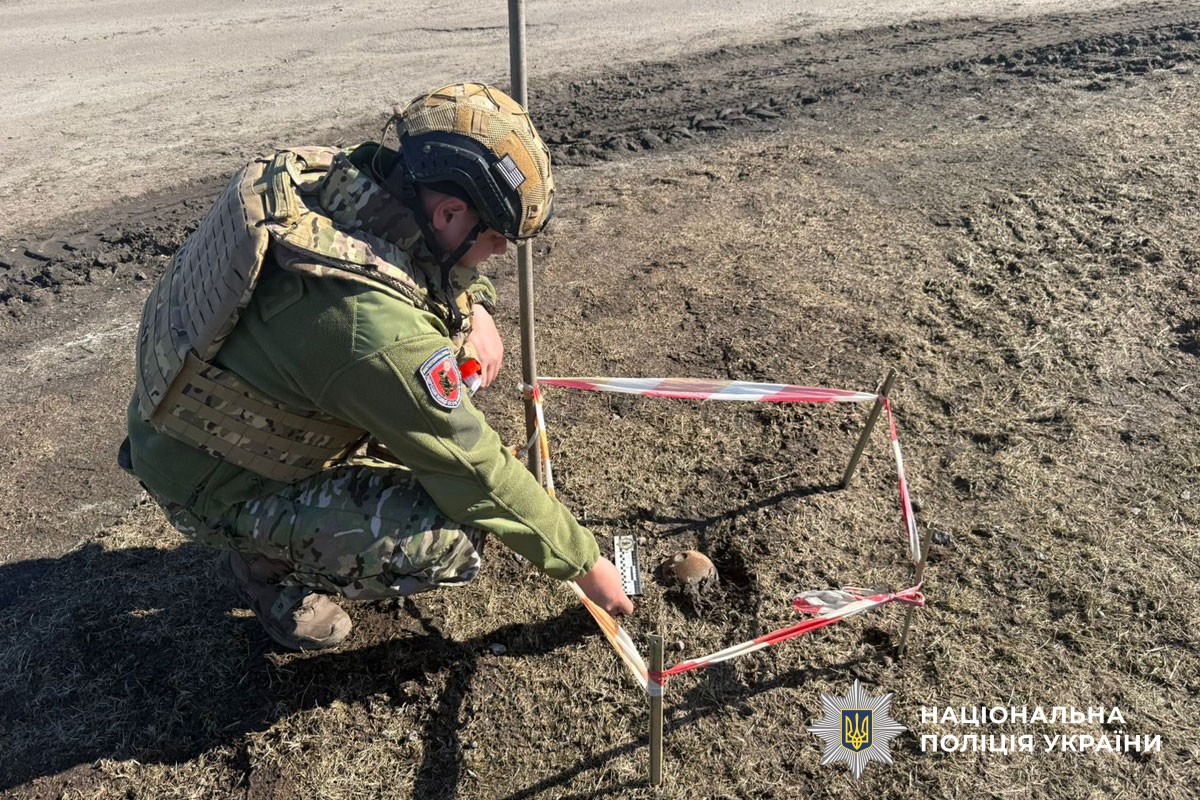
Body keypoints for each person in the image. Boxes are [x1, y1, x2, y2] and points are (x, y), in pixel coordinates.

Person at [119, 82, 633, 651]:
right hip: (209, 481)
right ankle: (263, 566)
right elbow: (474, 470)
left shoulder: (331, 180)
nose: (499, 252)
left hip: (173, 420)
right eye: (493, 237)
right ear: (450, 211)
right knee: (453, 539)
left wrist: (476, 305)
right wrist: (585, 564)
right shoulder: (372, 331)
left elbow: (414, 254)